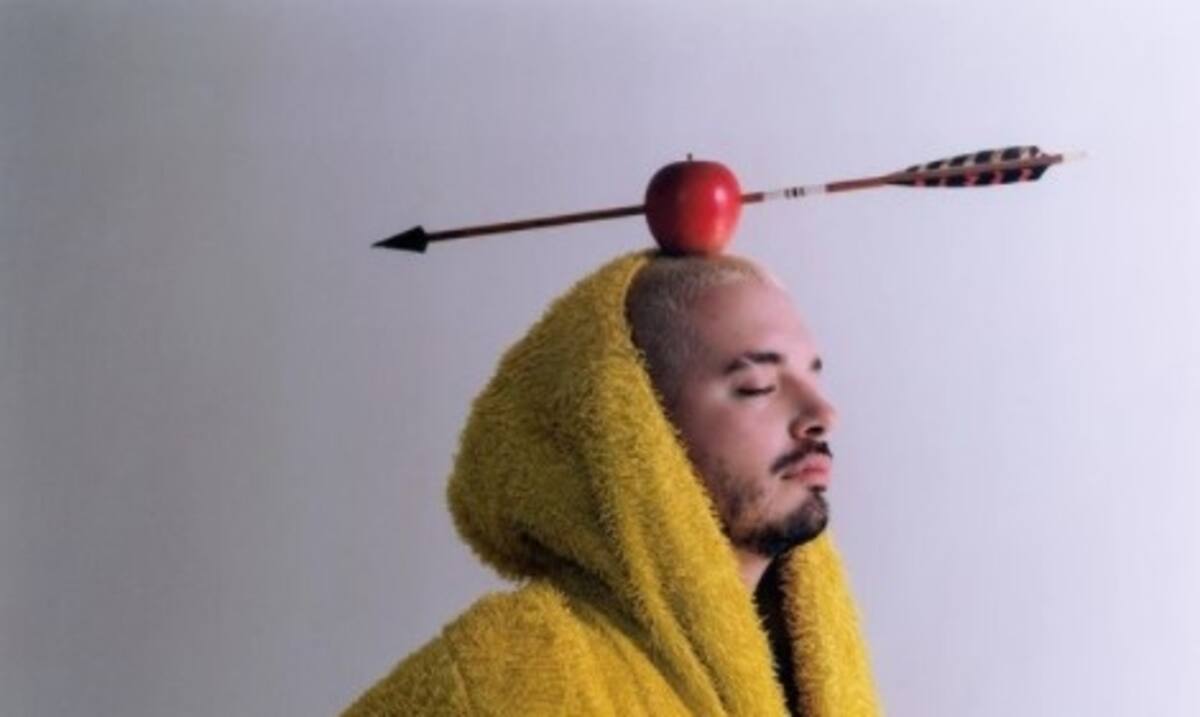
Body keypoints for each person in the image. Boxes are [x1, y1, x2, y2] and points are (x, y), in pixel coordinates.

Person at [343, 251, 880, 716]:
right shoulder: (511, 678)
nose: (823, 413)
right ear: (636, 427)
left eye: (814, 374)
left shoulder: (812, 673)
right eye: (758, 386)